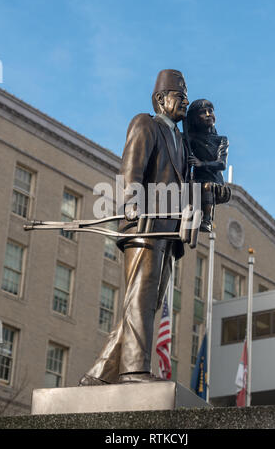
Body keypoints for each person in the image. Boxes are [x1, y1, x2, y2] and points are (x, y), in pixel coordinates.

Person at [79, 69, 189, 385]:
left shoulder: (180, 141)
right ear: (160, 98)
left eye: (185, 97)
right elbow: (132, 168)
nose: (184, 102)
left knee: (147, 303)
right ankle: (133, 371)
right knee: (140, 298)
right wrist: (133, 206)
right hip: (145, 225)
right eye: (179, 96)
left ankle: (98, 376)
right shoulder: (146, 124)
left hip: (168, 234)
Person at [187, 99, 230, 233]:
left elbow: (221, 164)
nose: (208, 114)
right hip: (197, 180)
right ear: (195, 118)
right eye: (202, 112)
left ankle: (207, 220)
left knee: (206, 186)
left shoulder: (221, 140)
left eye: (210, 111)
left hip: (214, 182)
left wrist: (201, 164)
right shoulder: (191, 138)